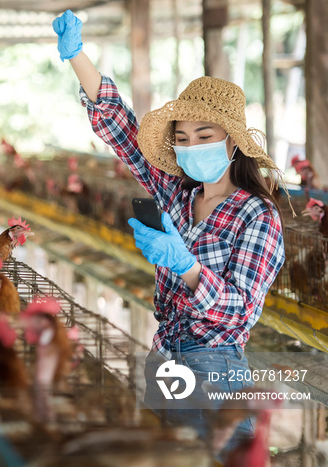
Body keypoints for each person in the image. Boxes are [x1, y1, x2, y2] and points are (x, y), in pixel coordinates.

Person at [53, 9, 286, 459]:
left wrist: (188, 266)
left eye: (204, 135)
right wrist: (78, 57)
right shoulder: (176, 192)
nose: (192, 146)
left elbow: (240, 310)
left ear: (231, 142)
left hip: (214, 364)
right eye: (183, 137)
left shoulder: (257, 216)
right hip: (163, 356)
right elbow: (121, 130)